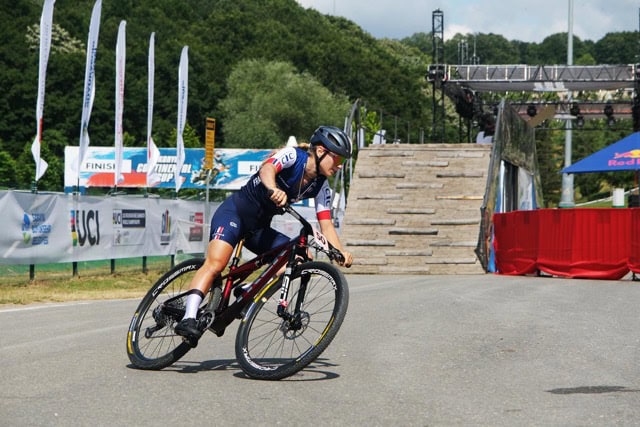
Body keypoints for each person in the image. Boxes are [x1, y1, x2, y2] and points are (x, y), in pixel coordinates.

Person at [174, 125, 354, 346]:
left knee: (299, 258)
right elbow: (267, 168)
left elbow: (326, 225)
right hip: (234, 214)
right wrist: (272, 188)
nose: (339, 165)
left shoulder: (321, 186)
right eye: (337, 159)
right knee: (217, 263)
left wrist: (339, 251)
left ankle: (247, 291)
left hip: (258, 229)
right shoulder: (293, 156)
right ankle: (188, 317)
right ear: (320, 151)